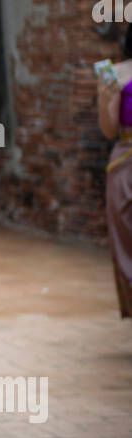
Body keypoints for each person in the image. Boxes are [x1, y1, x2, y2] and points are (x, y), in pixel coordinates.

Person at [98, 23, 132, 319]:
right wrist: (105, 95)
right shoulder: (116, 75)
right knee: (126, 235)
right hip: (125, 160)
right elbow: (109, 129)